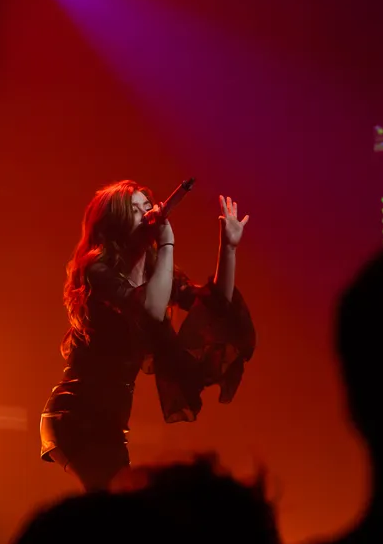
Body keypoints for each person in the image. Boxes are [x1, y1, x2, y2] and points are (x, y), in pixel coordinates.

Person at [40, 179, 256, 492]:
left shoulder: (156, 273)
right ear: (114, 221)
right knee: (124, 503)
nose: (147, 213)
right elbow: (151, 310)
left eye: (147, 205)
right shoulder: (97, 270)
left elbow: (216, 305)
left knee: (124, 509)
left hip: (110, 427)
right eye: (135, 208)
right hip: (76, 417)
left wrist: (229, 247)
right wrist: (167, 243)